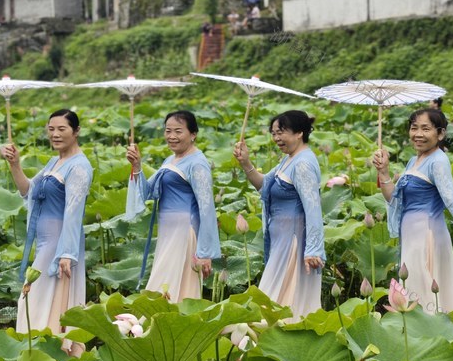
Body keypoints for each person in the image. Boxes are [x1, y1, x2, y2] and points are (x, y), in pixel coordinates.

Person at [371, 108, 453, 314]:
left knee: (426, 288)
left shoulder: (438, 161)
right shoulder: (413, 161)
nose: (418, 134)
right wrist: (384, 171)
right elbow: (395, 200)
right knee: (414, 287)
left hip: (427, 235)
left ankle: (433, 333)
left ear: (440, 134)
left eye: (425, 129)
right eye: (414, 128)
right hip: (411, 236)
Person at [1, 109, 93, 356]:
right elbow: (28, 191)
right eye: (51, 129)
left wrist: (67, 253)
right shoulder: (55, 162)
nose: (55, 134)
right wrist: (15, 164)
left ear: (76, 132)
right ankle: (36, 353)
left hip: (60, 245)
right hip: (45, 244)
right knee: (34, 300)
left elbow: (74, 211)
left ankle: (54, 353)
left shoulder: (80, 166)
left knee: (36, 299)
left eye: (62, 129)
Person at [233, 110, 325, 319]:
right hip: (281, 240)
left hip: (293, 243)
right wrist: (245, 163)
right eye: (274, 133)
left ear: (299, 132)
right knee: (274, 298)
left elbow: (313, 209)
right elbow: (264, 185)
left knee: (277, 299)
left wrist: (313, 249)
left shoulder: (302, 164)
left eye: (281, 132)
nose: (276, 138)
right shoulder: (289, 160)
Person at [126, 110, 220, 301]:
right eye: (168, 131)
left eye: (178, 131)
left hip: (185, 231)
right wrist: (137, 167)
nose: (171, 136)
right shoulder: (171, 159)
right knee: (164, 282)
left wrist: (205, 252)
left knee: (173, 283)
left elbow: (207, 208)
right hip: (168, 232)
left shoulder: (197, 164)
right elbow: (147, 192)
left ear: (193, 134)